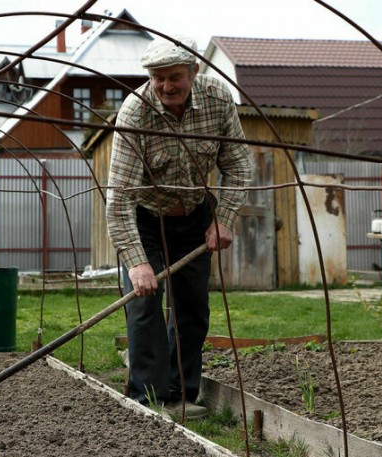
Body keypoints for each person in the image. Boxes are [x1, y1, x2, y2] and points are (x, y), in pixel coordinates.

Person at [105, 36, 252, 419]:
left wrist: (223, 219)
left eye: (175, 77)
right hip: (146, 217)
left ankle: (181, 395)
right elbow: (119, 198)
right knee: (144, 304)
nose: (166, 86)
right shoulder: (135, 113)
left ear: (194, 72)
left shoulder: (218, 100)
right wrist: (137, 263)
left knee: (192, 308)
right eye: (158, 78)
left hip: (195, 213)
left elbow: (238, 165)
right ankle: (147, 400)